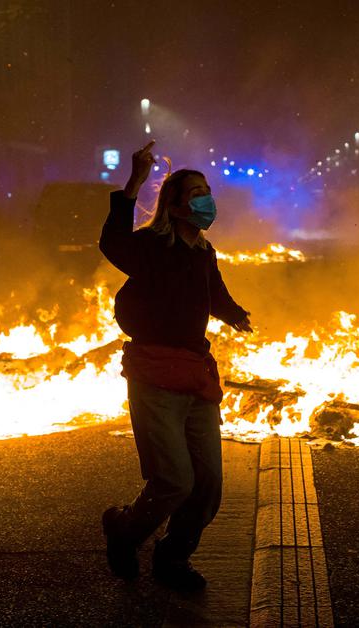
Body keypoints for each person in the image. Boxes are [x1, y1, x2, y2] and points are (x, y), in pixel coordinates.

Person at [98, 141, 252, 591]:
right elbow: (112, 242)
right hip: (155, 379)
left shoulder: (204, 251)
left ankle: (172, 559)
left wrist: (235, 314)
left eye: (207, 190)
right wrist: (133, 182)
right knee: (174, 481)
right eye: (196, 192)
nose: (206, 199)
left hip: (195, 376)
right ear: (177, 205)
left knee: (207, 486)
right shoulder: (151, 246)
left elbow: (214, 293)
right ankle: (124, 531)